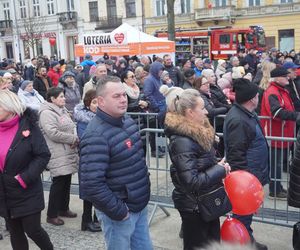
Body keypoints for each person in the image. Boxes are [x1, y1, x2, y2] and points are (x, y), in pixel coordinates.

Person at [79, 75, 152, 250]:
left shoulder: (126, 120)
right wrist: (119, 212)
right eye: (116, 96)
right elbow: (91, 183)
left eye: (123, 95)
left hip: (138, 204)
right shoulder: (96, 135)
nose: (123, 100)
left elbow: (135, 161)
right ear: (101, 101)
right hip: (120, 213)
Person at [163, 88, 230, 250]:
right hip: (194, 205)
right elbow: (191, 180)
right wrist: (219, 169)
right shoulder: (182, 141)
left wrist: (217, 162)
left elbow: (202, 164)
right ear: (190, 113)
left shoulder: (198, 133)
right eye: (202, 108)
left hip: (204, 200)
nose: (207, 111)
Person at [0, 90, 53, 250]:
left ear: (9, 107)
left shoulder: (28, 126)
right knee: (15, 232)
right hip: (4, 192)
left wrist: (24, 178)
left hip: (26, 189)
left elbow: (43, 155)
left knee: (33, 230)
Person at [223, 78, 269, 250]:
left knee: (246, 215)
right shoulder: (239, 120)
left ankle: (247, 240)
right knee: (242, 215)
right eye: (257, 95)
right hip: (246, 180)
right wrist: (244, 185)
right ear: (252, 99)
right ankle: (244, 244)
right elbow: (236, 155)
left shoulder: (246, 114)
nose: (259, 98)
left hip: (251, 176)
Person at [39, 87, 79, 226]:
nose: (64, 99)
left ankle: (63, 208)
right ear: (52, 99)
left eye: (64, 96)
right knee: (58, 182)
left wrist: (73, 138)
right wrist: (72, 139)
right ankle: (52, 214)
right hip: (57, 152)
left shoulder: (62, 110)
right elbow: (53, 133)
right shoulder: (46, 113)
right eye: (61, 97)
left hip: (67, 150)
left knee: (66, 180)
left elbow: (70, 125)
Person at [261, 67, 300, 199]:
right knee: (275, 164)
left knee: (278, 163)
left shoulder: (280, 90)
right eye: (285, 76)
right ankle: (275, 190)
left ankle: (278, 188)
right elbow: (276, 112)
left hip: (282, 134)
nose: (287, 77)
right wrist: (296, 116)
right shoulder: (272, 92)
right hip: (275, 134)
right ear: (277, 78)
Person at [73, 89, 101, 232]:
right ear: (87, 103)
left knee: (99, 190)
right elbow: (84, 139)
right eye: (93, 102)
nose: (96, 105)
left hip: (100, 159)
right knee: (88, 192)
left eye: (98, 102)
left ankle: (97, 218)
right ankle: (86, 220)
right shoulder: (83, 119)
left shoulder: (101, 117)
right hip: (88, 160)